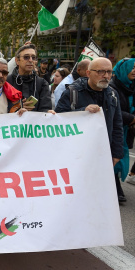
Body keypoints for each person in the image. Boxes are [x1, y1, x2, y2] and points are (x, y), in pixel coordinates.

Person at [55, 57, 124, 203]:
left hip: (102, 153)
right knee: (75, 195)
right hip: (76, 155)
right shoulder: (72, 92)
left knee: (96, 196)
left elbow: (117, 124)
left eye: (109, 72)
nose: (105, 76)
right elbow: (58, 120)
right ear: (88, 73)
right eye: (100, 71)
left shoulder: (113, 94)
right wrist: (82, 111)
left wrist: (117, 153)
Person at [110, 58, 135, 188]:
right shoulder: (112, 87)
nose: (134, 71)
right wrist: (132, 118)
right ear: (124, 69)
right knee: (114, 156)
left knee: (121, 156)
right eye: (132, 67)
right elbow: (115, 110)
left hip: (127, 128)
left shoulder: (132, 87)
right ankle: (114, 186)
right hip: (116, 127)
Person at [6, 43, 51, 112]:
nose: (30, 60)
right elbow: (0, 107)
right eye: (26, 57)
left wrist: (48, 113)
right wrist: (17, 107)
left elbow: (45, 109)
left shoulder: (42, 83)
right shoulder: (7, 81)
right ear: (17, 61)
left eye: (33, 57)